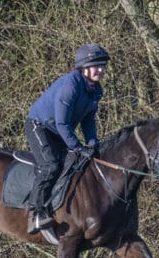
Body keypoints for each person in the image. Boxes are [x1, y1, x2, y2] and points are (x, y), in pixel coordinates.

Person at [25, 43, 109, 234]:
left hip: (58, 130)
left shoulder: (95, 90)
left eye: (103, 65)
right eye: (96, 65)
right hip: (40, 126)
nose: (101, 70)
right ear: (83, 67)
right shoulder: (71, 85)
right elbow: (63, 123)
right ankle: (35, 213)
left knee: (75, 165)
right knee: (51, 166)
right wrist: (77, 146)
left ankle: (57, 207)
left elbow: (88, 120)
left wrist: (92, 143)